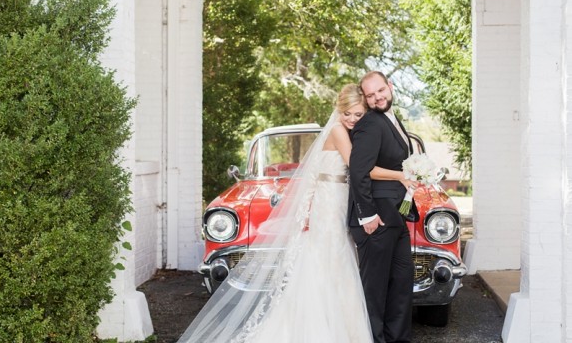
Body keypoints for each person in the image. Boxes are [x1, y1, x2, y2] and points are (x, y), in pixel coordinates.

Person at [177, 83, 414, 343]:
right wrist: (402, 174)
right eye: (347, 113)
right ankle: (326, 327)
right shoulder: (338, 131)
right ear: (338, 110)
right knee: (332, 257)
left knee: (337, 258)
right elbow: (359, 167)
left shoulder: (349, 132)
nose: (352, 119)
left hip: (335, 199)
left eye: (358, 114)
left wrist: (308, 209)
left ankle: (338, 323)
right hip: (331, 202)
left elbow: (314, 177)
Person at [348, 70, 418, 343]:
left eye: (380, 90)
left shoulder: (391, 119)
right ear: (365, 99)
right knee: (376, 291)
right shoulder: (370, 124)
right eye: (370, 95)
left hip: (396, 215)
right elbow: (358, 171)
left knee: (401, 283)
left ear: (390, 86)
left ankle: (397, 339)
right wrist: (367, 215)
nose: (377, 97)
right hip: (376, 217)